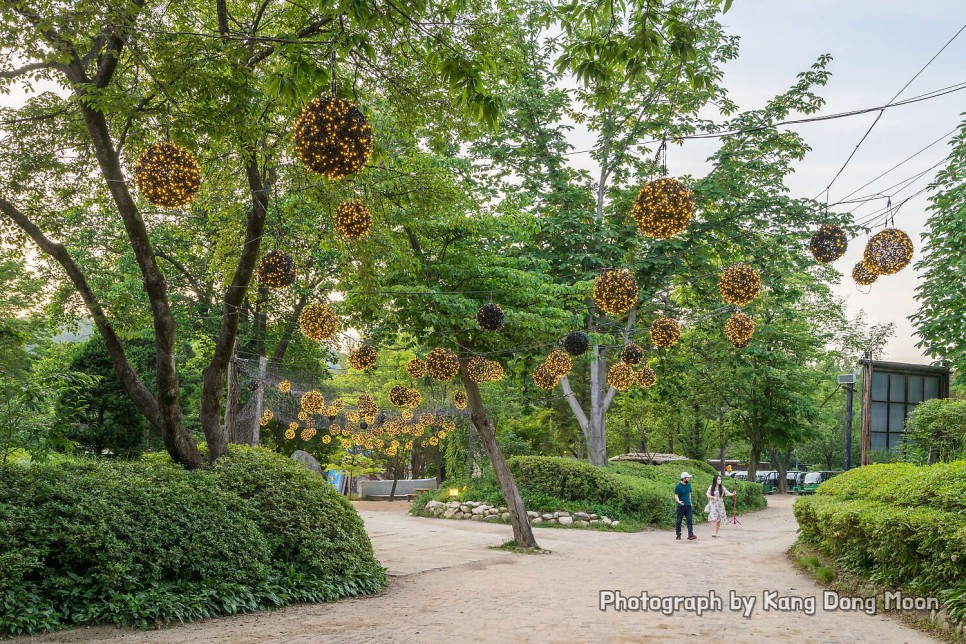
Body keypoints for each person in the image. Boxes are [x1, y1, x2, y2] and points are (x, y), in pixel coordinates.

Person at [705, 473, 736, 538]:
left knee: (718, 519)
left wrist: (733, 494)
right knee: (713, 518)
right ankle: (714, 532)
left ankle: (716, 532)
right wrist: (712, 497)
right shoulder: (711, 487)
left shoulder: (722, 488)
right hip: (713, 504)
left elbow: (728, 493)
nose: (719, 480)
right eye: (718, 479)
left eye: (720, 479)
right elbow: (707, 494)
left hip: (720, 505)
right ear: (715, 480)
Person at [674, 471, 697, 541]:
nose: (689, 479)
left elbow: (689, 494)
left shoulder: (689, 485)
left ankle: (690, 534)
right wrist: (679, 501)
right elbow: (676, 495)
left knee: (689, 520)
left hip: (688, 505)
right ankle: (678, 534)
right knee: (679, 520)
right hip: (681, 506)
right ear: (684, 478)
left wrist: (690, 502)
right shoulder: (678, 486)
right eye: (688, 478)